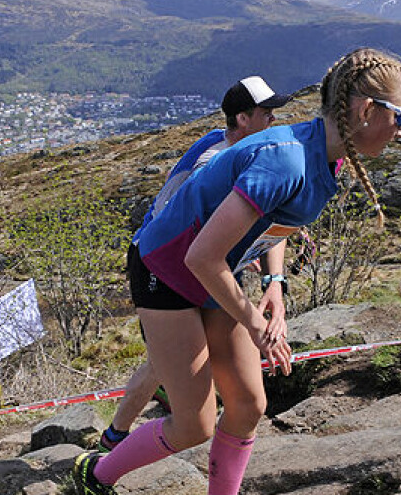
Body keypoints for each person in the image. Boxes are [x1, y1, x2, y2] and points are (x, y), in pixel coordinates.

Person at [72, 47, 401, 495]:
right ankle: (95, 478)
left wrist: (274, 284)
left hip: (213, 271)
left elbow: (273, 221)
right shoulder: (287, 157)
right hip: (168, 270)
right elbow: (201, 255)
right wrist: (256, 323)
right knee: (195, 423)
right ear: (367, 110)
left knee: (250, 404)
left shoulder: (326, 152)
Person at [98, 76, 292, 453]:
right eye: (266, 113)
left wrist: (269, 273)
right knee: (165, 362)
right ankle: (115, 440)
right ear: (242, 119)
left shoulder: (236, 148)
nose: (274, 120)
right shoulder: (215, 160)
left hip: (197, 263)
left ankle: (118, 434)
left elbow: (263, 218)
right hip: (161, 265)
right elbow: (194, 226)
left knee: (168, 362)